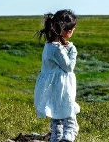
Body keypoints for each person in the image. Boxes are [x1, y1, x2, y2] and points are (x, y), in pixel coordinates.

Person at [33, 9, 80, 142]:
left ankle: (56, 139)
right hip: (62, 88)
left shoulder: (49, 45)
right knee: (70, 119)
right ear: (67, 31)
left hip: (52, 88)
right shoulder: (58, 48)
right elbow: (69, 67)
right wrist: (72, 51)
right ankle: (67, 139)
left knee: (57, 120)